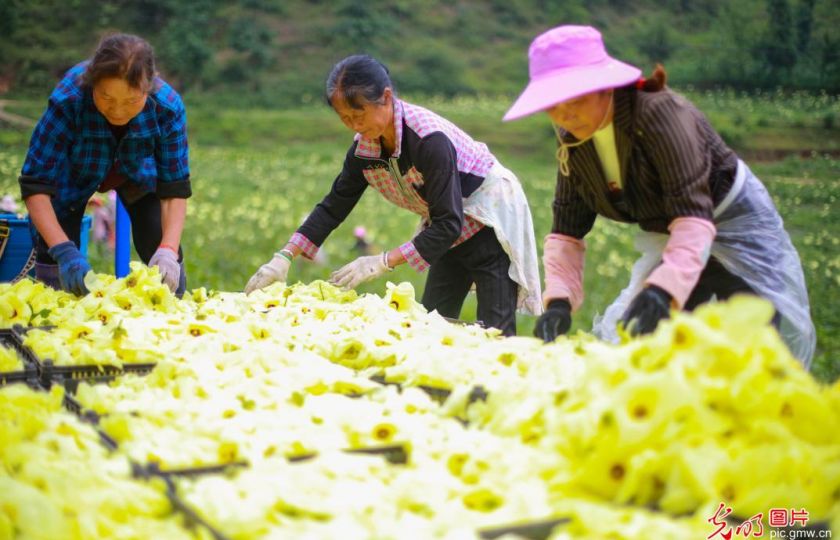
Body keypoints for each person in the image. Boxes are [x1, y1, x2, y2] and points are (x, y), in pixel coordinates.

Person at [503, 25, 815, 365]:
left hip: (726, 220)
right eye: (553, 105)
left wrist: (663, 290)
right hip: (673, 231)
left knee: (750, 331)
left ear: (604, 86)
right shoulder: (573, 142)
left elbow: (693, 212)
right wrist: (559, 303)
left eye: (575, 100)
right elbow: (567, 229)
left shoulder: (659, 115)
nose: (565, 115)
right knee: (646, 339)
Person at [246, 54, 542, 335]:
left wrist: (382, 261)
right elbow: (333, 206)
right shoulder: (364, 149)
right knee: (433, 322)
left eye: (358, 113)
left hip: (489, 220)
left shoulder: (428, 140)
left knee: (495, 331)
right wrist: (284, 256)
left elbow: (448, 222)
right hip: (445, 227)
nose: (354, 125)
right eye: (345, 117)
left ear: (386, 98)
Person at [19, 33, 190, 296]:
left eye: (132, 100)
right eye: (106, 98)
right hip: (75, 174)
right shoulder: (69, 99)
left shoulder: (167, 107)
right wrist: (62, 249)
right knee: (57, 268)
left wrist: (167, 250)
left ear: (149, 87)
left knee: (162, 248)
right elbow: (35, 184)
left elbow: (174, 190)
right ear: (92, 83)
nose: (118, 111)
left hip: (136, 173)